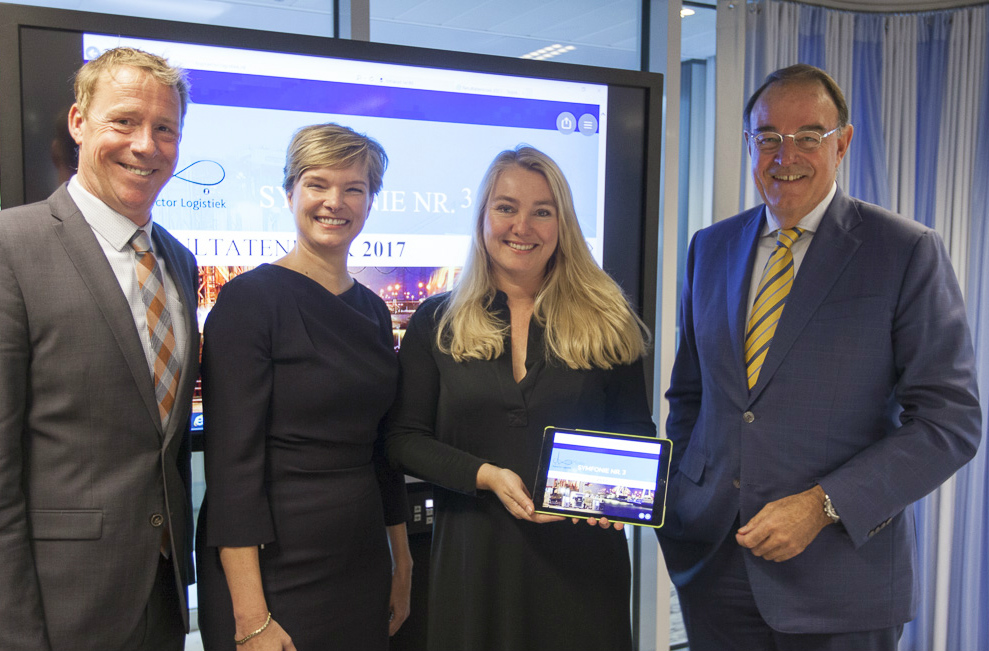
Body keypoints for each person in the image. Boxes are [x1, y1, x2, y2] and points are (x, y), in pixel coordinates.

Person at [658, 63, 982, 651]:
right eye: (769, 138)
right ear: (750, 145)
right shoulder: (711, 248)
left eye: (809, 136)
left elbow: (950, 422)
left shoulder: (904, 251)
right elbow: (691, 396)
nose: (787, 155)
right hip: (713, 569)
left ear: (843, 145)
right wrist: (684, 495)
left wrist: (822, 505)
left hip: (840, 581)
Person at [385, 145, 655, 651]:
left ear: (563, 224)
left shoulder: (607, 316)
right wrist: (484, 475)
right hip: (473, 561)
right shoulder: (436, 321)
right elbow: (403, 439)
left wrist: (604, 496)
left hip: (582, 567)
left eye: (542, 211)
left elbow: (636, 433)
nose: (521, 226)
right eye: (506, 207)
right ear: (483, 217)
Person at [0, 48, 199, 651]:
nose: (146, 145)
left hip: (164, 597)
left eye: (165, 129)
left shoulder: (177, 261)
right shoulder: (13, 246)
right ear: (79, 122)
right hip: (61, 607)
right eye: (124, 121)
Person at [195, 123, 412, 651]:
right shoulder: (249, 302)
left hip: (359, 560)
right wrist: (251, 616)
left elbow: (382, 453)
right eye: (317, 184)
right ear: (290, 191)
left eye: (353, 188)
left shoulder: (374, 312)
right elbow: (230, 469)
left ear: (371, 200)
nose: (334, 202)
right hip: (272, 572)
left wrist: (401, 562)